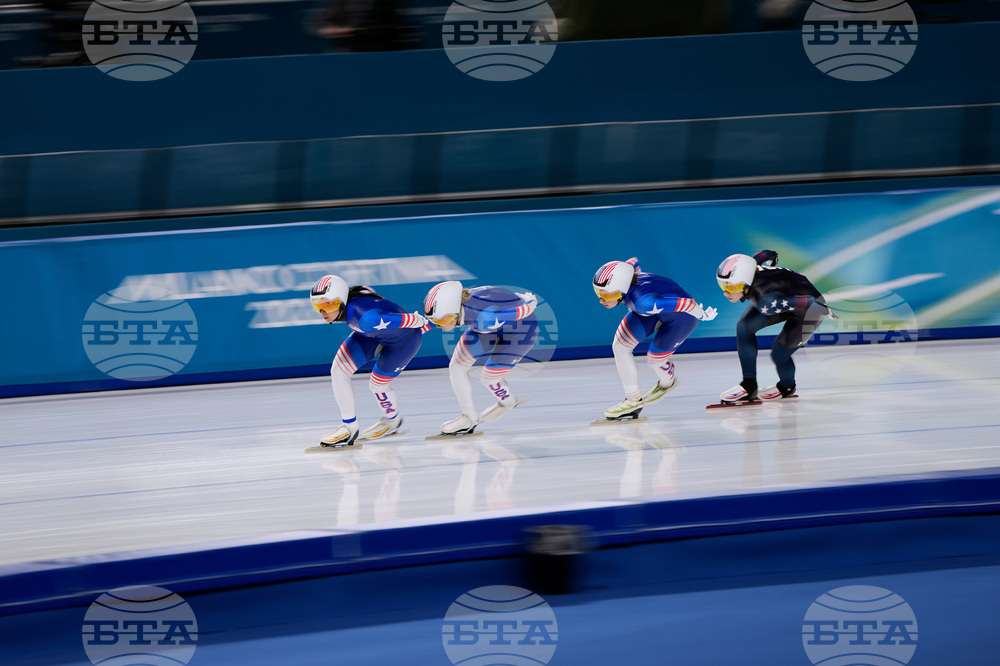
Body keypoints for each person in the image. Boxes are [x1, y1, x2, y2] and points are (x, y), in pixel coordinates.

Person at [310, 274, 429, 448]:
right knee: (338, 371)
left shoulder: (367, 320)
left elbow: (414, 320)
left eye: (329, 305)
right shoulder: (355, 305)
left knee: (377, 385)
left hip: (404, 340)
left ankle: (392, 420)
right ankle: (349, 427)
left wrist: (422, 321)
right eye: (318, 306)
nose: (323, 312)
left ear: (342, 301)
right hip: (372, 333)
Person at [594, 257, 717, 420]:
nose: (601, 301)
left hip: (682, 317)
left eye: (607, 295)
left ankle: (667, 383)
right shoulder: (627, 277)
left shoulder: (644, 303)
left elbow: (686, 304)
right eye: (599, 293)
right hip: (652, 310)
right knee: (620, 346)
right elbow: (633, 261)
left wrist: (703, 315)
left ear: (622, 289)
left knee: (655, 360)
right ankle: (633, 400)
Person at [715, 250, 835, 403]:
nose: (726, 293)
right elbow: (767, 254)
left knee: (779, 354)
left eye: (732, 288)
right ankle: (749, 384)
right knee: (744, 327)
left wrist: (823, 309)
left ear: (746, 283)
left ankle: (787, 387)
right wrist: (772, 258)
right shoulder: (750, 265)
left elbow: (807, 301)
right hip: (783, 296)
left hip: (809, 310)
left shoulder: (765, 302)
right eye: (723, 286)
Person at [423, 281, 539, 435]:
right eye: (434, 321)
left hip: (521, 331)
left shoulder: (483, 319)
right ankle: (468, 418)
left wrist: (530, 301)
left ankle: (508, 401)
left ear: (454, 313)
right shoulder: (460, 304)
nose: (438, 326)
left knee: (489, 378)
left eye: (441, 321)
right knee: (457, 367)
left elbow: (524, 310)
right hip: (489, 328)